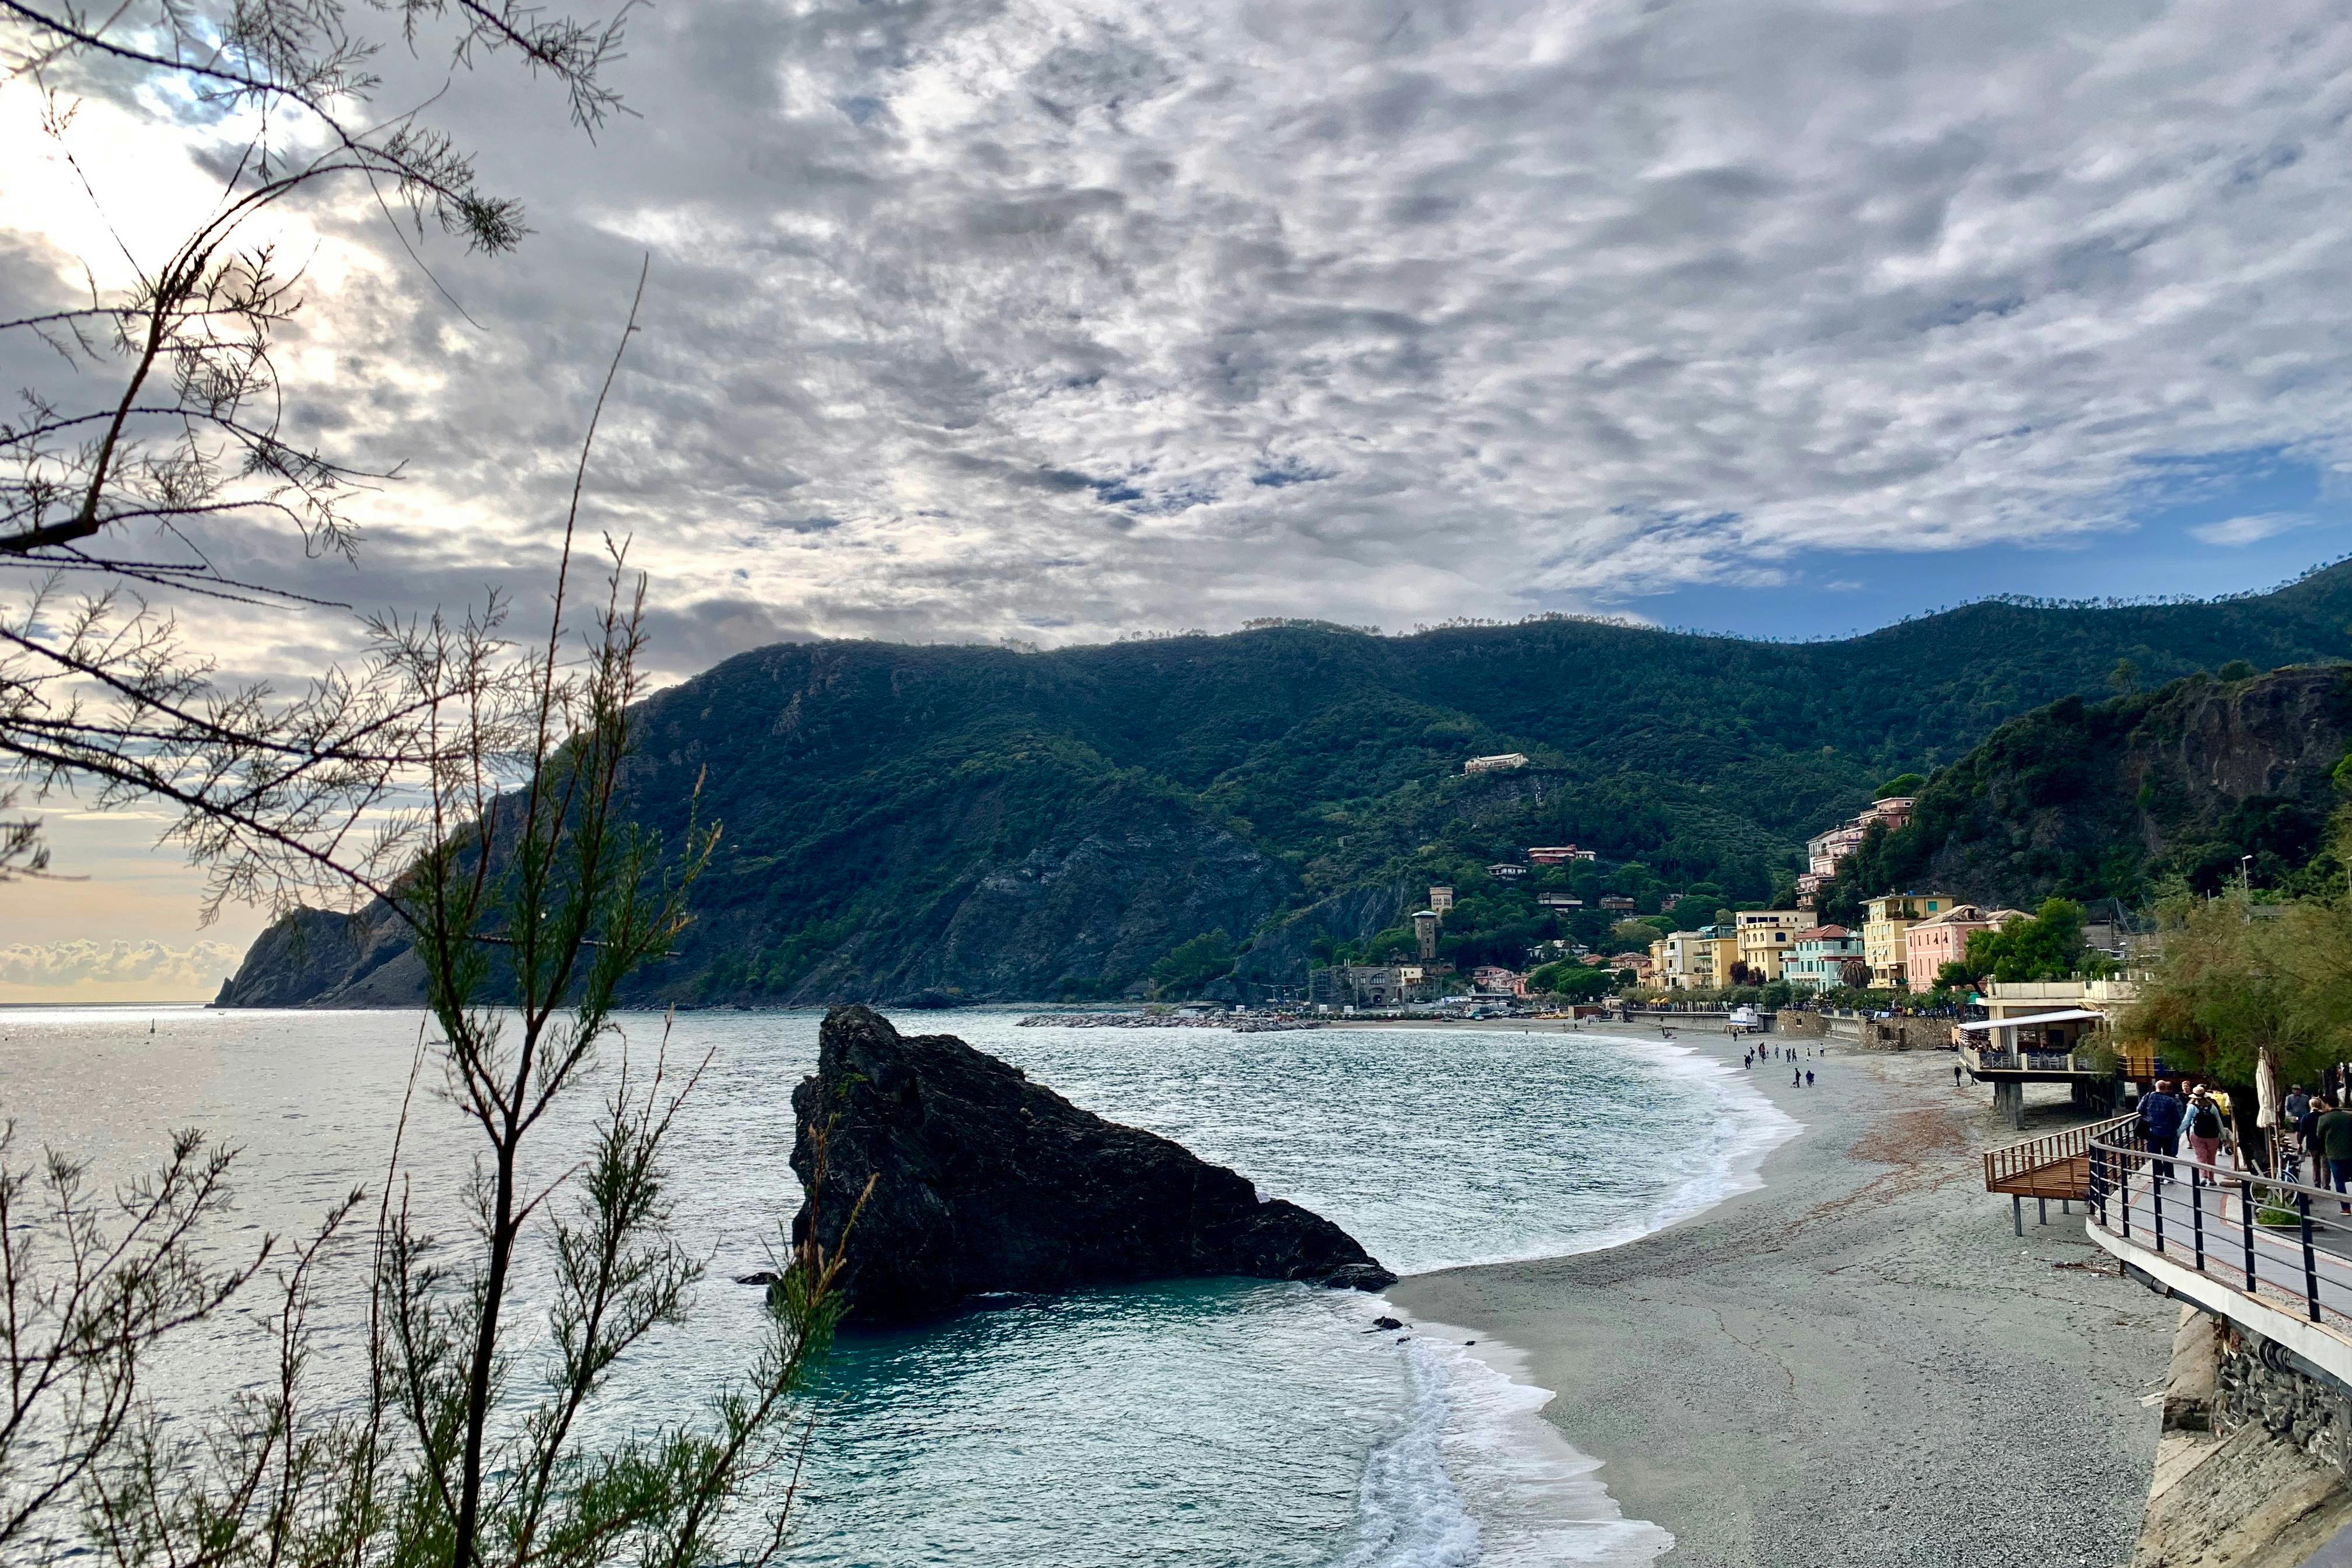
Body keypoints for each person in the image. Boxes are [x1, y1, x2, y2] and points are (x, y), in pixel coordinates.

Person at [2140, 1079, 2185, 1180]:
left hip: (2152, 1131)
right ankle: (2170, 1176)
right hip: (2168, 1132)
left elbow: (2139, 1110)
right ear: (2165, 1089)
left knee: (2155, 1155)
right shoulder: (2171, 1101)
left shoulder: (2148, 1097)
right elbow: (2177, 1118)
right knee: (2168, 1154)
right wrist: (2175, 1128)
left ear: (2156, 1088)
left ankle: (2158, 1176)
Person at [2316, 1098, 2352, 1214]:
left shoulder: (2324, 1118)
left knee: (2339, 1182)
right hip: (2350, 1153)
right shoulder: (2349, 1117)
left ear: (2327, 1104)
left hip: (2334, 1154)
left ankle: (2346, 1208)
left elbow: (2319, 1135)